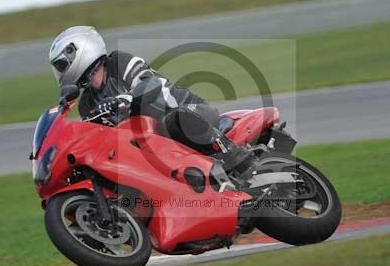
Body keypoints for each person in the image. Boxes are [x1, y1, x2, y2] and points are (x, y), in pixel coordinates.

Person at [48, 26, 256, 179]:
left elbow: (150, 83)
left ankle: (238, 158)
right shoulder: (87, 104)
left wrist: (126, 98)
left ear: (80, 51)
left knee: (173, 120)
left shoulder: (119, 63)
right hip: (153, 144)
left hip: (189, 112)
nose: (61, 71)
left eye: (61, 65)